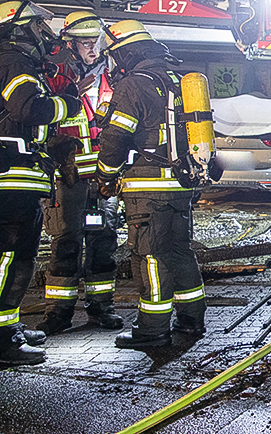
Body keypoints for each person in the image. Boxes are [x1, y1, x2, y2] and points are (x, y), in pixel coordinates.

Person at [94, 20, 206, 349]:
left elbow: (116, 138)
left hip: (148, 188)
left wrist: (105, 175)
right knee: (179, 251)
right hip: (181, 185)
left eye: (115, 56)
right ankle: (191, 319)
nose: (114, 64)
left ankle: (152, 328)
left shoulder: (133, 84)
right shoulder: (175, 80)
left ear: (126, 52)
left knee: (150, 256)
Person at [0, 0, 83, 364]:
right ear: (19, 28)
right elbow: (28, 109)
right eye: (38, 26)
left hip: (19, 180)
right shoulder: (13, 61)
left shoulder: (18, 62)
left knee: (20, 259)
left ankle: (10, 328)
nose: (44, 34)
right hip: (9, 180)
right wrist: (67, 104)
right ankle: (2, 342)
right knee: (9, 260)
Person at [36, 11, 123, 335]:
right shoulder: (54, 73)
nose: (91, 48)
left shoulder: (111, 74)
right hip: (68, 177)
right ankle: (58, 313)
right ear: (70, 44)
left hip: (102, 178)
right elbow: (42, 112)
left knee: (103, 241)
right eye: (84, 43)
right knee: (66, 242)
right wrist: (73, 90)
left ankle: (102, 308)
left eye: (94, 41)